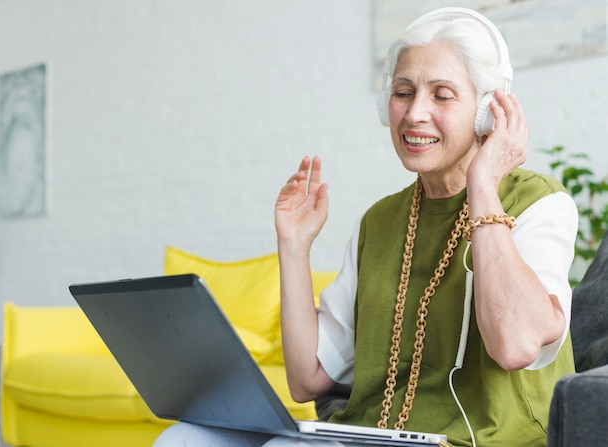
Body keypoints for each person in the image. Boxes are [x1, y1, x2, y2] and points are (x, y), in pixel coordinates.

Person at [153, 7, 578, 447]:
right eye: (403, 92)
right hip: (369, 435)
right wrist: (294, 246)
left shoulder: (540, 204)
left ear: (487, 111)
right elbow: (307, 379)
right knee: (181, 439)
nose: (415, 113)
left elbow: (515, 346)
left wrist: (483, 188)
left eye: (442, 95)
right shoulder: (381, 221)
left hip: (480, 440)